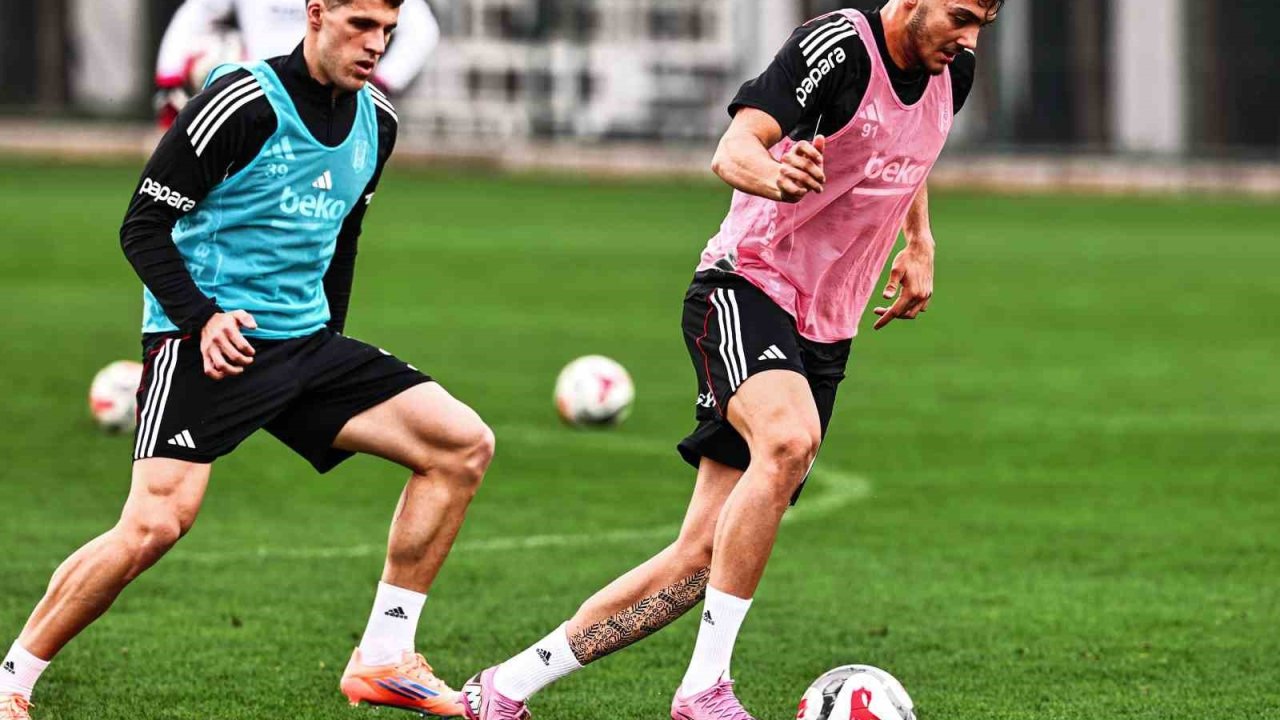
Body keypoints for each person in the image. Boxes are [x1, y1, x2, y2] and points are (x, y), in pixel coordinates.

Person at [457, 2, 1002, 719]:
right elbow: (734, 148)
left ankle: (504, 689)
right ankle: (704, 689)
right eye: (961, 15)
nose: (970, 37)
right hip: (745, 286)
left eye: (984, 21)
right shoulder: (839, 47)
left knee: (701, 557)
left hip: (825, 328)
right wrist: (774, 176)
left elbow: (907, 148)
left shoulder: (951, 70)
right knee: (789, 440)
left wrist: (920, 239)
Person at [0, 2, 482, 718]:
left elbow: (343, 239)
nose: (376, 44)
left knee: (461, 446)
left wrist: (329, 348)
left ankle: (385, 657)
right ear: (316, 14)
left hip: (305, 344)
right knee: (154, 525)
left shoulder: (378, 121)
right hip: (203, 341)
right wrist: (202, 319)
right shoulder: (241, 102)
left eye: (388, 30)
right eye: (360, 24)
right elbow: (142, 226)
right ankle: (12, 677)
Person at [154, 0, 439, 127]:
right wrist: (169, 79)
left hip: (330, 107)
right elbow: (195, 13)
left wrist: (379, 85)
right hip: (257, 104)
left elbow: (421, 29)